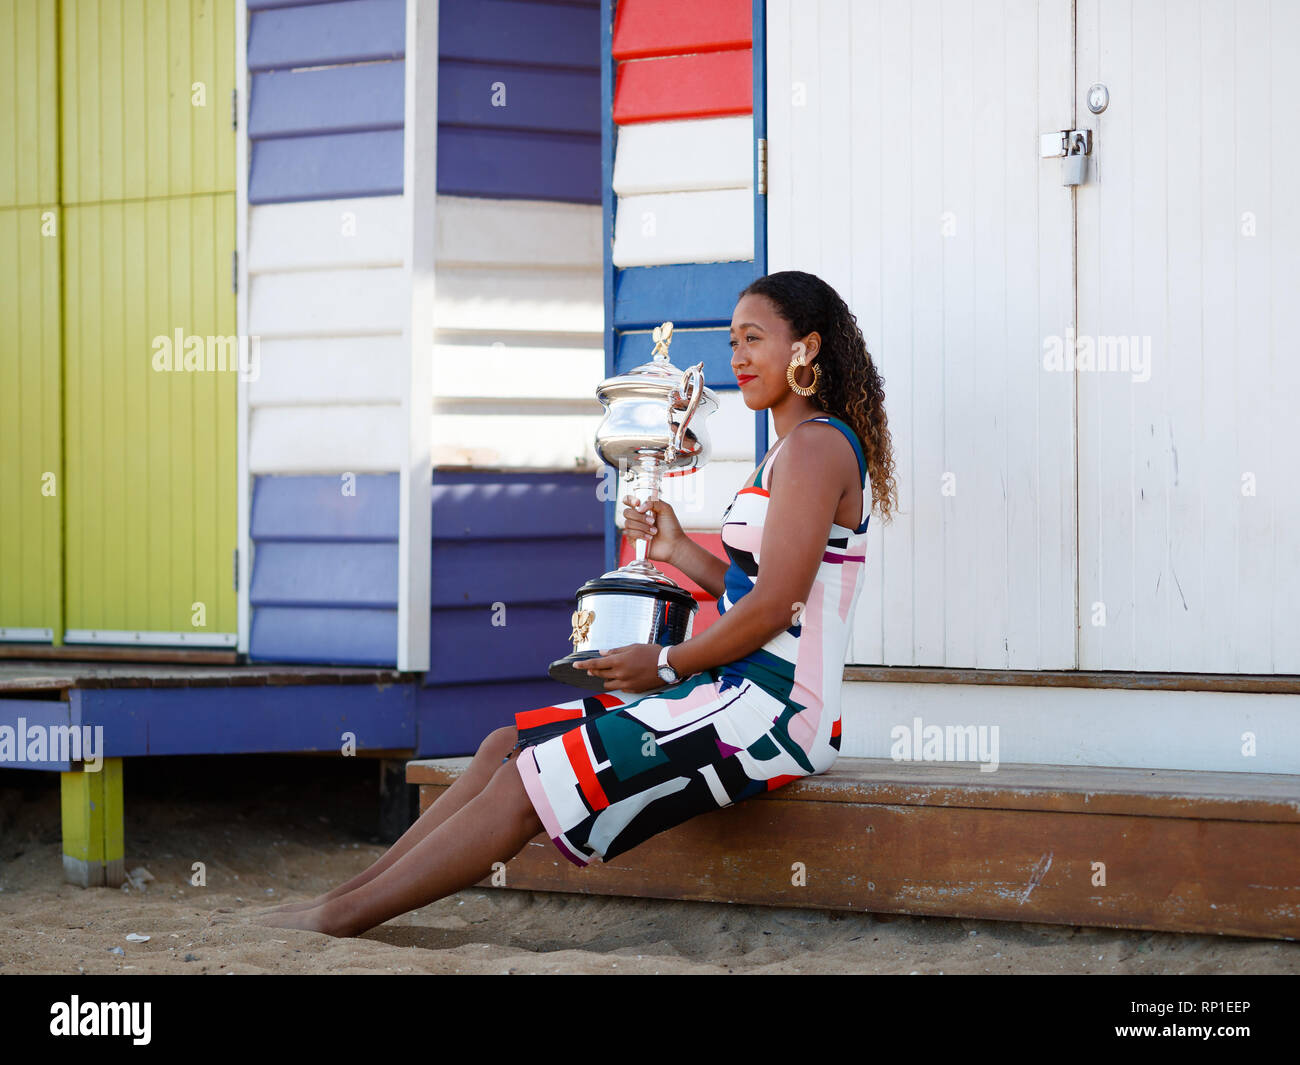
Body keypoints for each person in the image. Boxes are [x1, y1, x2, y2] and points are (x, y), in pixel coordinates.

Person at [254, 270, 898, 937]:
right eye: (733, 340)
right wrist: (677, 549)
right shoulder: (786, 451)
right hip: (734, 688)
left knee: (521, 780)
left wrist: (668, 662)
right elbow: (751, 589)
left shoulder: (817, 447)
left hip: (776, 712)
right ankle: (342, 897)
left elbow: (777, 608)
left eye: (755, 339)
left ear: (806, 349)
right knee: (504, 745)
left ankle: (337, 919)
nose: (737, 357)